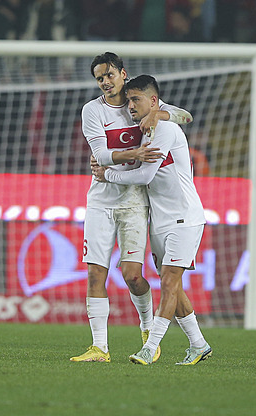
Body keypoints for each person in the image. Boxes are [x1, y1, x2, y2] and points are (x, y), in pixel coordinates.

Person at [70, 52, 193, 363]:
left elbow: (186, 117)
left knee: (132, 275)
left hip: (135, 199)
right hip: (100, 198)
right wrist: (134, 152)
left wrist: (160, 115)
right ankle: (100, 348)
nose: (105, 82)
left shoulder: (141, 102)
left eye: (109, 75)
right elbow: (102, 154)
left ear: (122, 74)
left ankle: (148, 329)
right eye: (99, 78)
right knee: (95, 272)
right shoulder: (92, 111)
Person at [93, 75, 211, 366]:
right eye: (129, 100)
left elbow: (145, 176)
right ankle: (199, 344)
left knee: (170, 282)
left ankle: (150, 347)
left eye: (136, 99)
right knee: (173, 286)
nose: (131, 105)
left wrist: (108, 174)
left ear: (154, 101)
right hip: (159, 220)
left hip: (185, 216)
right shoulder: (143, 130)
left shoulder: (166, 128)